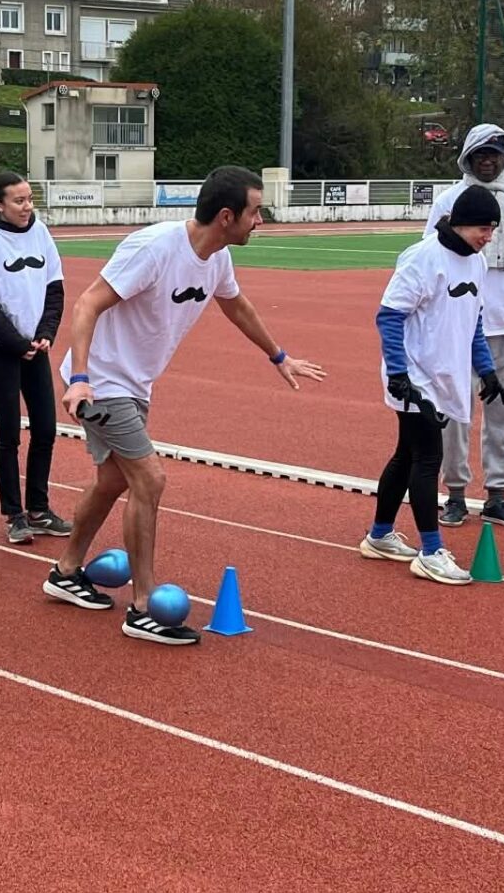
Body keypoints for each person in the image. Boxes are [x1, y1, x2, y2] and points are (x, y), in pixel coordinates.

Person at [48, 166, 326, 645]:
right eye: (255, 212)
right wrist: (80, 379)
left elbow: (236, 305)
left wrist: (278, 356)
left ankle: (67, 570)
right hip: (102, 382)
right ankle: (143, 607)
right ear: (226, 216)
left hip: (135, 384)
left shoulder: (216, 257)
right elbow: (87, 304)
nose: (260, 220)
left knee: (115, 479)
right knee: (149, 479)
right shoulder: (154, 249)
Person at [361, 186, 504, 581]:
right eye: (482, 227)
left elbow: (474, 323)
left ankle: (379, 536)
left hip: (446, 376)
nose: (487, 236)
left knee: (406, 455)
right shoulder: (423, 258)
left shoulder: (476, 263)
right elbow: (389, 317)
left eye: (492, 229)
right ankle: (431, 551)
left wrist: (487, 368)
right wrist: (398, 375)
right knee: (427, 458)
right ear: (459, 223)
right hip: (415, 376)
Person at [423, 124, 504, 530]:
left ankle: (497, 495)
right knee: (455, 415)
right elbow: (430, 259)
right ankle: (454, 494)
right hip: (459, 328)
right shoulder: (448, 200)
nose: (487, 160)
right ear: (468, 158)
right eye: (480, 154)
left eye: (494, 153)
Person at [0, 171, 72, 544]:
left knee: (45, 429)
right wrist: (14, 342)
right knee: (9, 433)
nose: (27, 207)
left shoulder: (39, 231)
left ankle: (39, 508)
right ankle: (14, 514)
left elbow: (54, 287)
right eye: (19, 201)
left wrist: (45, 333)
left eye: (29, 199)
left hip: (34, 349)